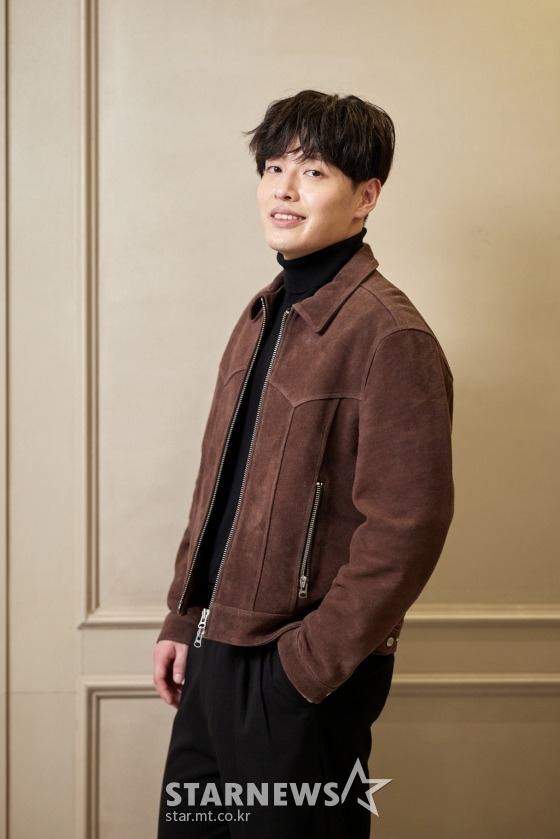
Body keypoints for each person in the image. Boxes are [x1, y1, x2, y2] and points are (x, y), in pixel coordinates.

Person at [154, 90, 454, 838]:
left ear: (366, 197)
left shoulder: (390, 335)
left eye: (313, 171)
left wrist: (305, 667)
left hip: (295, 675)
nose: (284, 189)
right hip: (212, 654)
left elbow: (408, 527)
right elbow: (218, 488)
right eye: (273, 168)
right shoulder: (261, 316)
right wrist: (183, 617)